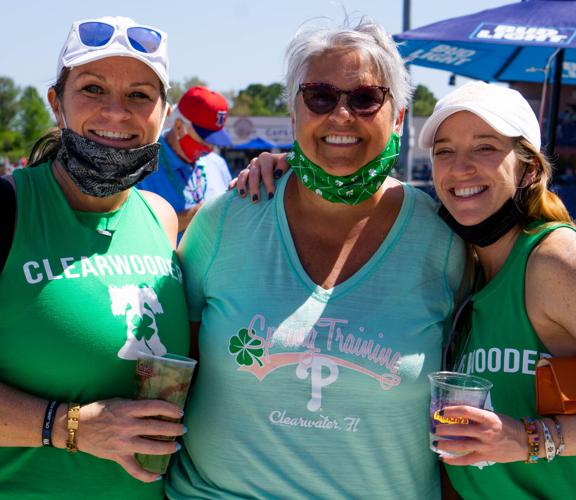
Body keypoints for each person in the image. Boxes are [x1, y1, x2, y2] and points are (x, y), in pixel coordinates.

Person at [166, 19, 465, 499]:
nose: (341, 115)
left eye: (365, 98)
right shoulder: (226, 222)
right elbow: (170, 361)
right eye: (320, 97)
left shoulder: (445, 240)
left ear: (401, 116)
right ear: (294, 113)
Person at [0, 16, 190, 498]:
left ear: (164, 114)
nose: (116, 113)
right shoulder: (9, 209)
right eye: (92, 88)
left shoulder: (161, 218)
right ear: (56, 104)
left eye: (140, 95)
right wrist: (70, 427)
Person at [418, 82, 576, 499]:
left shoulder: (560, 263)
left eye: (485, 147)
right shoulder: (463, 265)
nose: (460, 168)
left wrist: (533, 437)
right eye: (444, 151)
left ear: (528, 168)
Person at [138, 86, 232, 238]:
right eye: (204, 139)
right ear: (179, 126)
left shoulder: (217, 164)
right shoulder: (140, 164)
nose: (210, 147)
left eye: (214, 140)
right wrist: (192, 216)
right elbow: (133, 231)